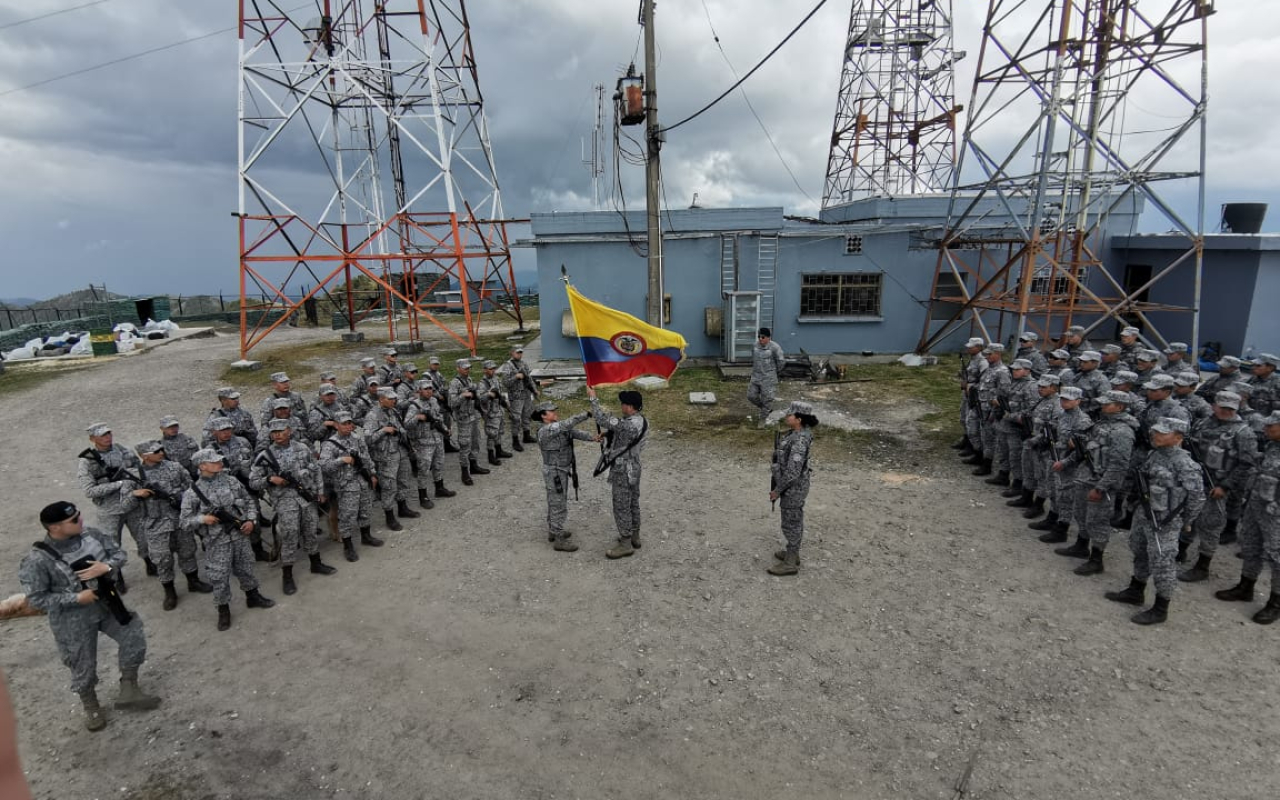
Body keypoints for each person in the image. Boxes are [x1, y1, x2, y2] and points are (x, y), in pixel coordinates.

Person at [18, 501, 161, 731]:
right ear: (54, 528)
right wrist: (75, 598)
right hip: (72, 619)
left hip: (107, 603)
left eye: (79, 515)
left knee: (133, 635)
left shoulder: (92, 535)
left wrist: (105, 568)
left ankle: (129, 688)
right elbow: (37, 599)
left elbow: (119, 554)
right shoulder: (37, 561)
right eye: (73, 520)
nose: (80, 521)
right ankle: (91, 705)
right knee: (82, 663)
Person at [1104, 418, 1205, 625]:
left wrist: (1186, 521)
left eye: (1162, 433)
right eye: (1155, 432)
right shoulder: (1155, 454)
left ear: (1178, 437)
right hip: (1145, 514)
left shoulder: (1186, 464)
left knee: (1163, 562)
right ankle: (1136, 589)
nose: (1155, 435)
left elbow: (1196, 497)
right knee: (1139, 549)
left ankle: (1161, 608)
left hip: (1165, 521)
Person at [180, 449, 275, 631]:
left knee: (246, 567)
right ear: (202, 466)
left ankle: (252, 596)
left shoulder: (231, 481)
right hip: (216, 541)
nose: (219, 463)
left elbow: (249, 502)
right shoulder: (193, 493)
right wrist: (202, 519)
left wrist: (250, 520)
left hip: (239, 535)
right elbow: (184, 522)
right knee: (219, 576)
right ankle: (223, 610)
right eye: (214, 461)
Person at [1176, 391, 1258, 582]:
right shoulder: (1203, 423)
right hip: (1195, 482)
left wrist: (1226, 486)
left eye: (1230, 409)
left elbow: (1246, 464)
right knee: (1188, 517)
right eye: (1222, 407)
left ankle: (1202, 566)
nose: (1225, 411)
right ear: (1214, 405)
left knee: (1210, 526)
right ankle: (1180, 551)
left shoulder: (1243, 432)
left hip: (1217, 486)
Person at [249, 419, 336, 596]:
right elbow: (253, 482)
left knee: (310, 530)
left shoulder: (302, 448)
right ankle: (287, 575)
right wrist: (270, 480)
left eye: (281, 431)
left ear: (289, 431)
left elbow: (316, 470)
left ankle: (315, 563)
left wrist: (320, 491)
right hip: (285, 501)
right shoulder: (265, 456)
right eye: (274, 432)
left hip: (307, 498)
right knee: (290, 535)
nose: (278, 435)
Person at [1056, 391, 1138, 575]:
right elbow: (1084, 450)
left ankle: (1096, 559)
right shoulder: (1101, 424)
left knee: (1098, 521)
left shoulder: (1123, 432)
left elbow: (1119, 465)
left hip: (1100, 482)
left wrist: (1101, 488)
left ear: (1120, 406)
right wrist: (1065, 462)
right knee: (1081, 513)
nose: (1102, 406)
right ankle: (1081, 545)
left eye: (1107, 404)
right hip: (1085, 477)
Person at [124, 440, 210, 609]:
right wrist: (135, 494)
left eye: (161, 450)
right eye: (156, 452)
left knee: (188, 551)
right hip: (155, 525)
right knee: (162, 559)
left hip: (179, 519)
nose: (161, 453)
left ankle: (193, 581)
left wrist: (179, 498)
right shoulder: (133, 476)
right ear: (143, 456)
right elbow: (124, 505)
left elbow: (192, 488)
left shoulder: (174, 467)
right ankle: (169, 592)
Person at [1214, 411, 1280, 624]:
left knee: (1277, 557)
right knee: (1251, 546)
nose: (1266, 430)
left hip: (1276, 513)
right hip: (1256, 504)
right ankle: (1246, 586)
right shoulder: (1272, 446)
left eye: (1271, 427)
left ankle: (1275, 603)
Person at [76, 423, 148, 588]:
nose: (108, 437)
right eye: (102, 435)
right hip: (109, 510)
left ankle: (150, 563)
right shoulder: (87, 462)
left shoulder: (121, 450)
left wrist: (133, 482)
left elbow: (138, 468)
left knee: (143, 537)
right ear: (92, 439)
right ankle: (117, 576)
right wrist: (119, 484)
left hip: (131, 504)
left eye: (108, 433)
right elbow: (90, 491)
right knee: (111, 545)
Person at [587, 386, 648, 559]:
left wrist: (593, 398)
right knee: (633, 502)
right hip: (635, 467)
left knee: (621, 504)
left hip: (622, 469)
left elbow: (601, 418)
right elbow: (622, 435)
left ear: (630, 407)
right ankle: (635, 535)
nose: (621, 406)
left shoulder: (627, 425)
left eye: (623, 404)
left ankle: (626, 543)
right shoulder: (642, 421)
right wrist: (608, 435)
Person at [318, 411, 384, 562]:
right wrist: (342, 460)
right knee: (347, 516)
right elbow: (324, 466)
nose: (348, 426)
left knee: (365, 510)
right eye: (344, 423)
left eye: (349, 423)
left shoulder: (357, 438)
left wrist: (372, 474)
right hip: (346, 485)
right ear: (336, 425)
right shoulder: (329, 444)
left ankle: (366, 536)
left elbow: (366, 458)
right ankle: (348, 546)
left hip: (363, 481)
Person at [533, 401, 597, 551]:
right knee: (558, 504)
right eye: (551, 411)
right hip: (554, 472)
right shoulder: (546, 430)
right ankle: (558, 539)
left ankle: (553, 531)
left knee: (556, 501)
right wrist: (586, 414)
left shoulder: (556, 426)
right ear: (543, 416)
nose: (555, 412)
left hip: (561, 470)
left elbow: (572, 432)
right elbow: (567, 425)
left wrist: (592, 437)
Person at [767, 401, 817, 576]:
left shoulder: (800, 441)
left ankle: (791, 563)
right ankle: (792, 553)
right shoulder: (795, 433)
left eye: (790, 415)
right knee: (793, 519)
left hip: (793, 489)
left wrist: (777, 491)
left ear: (799, 419)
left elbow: (792, 473)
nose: (786, 416)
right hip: (792, 487)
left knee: (791, 523)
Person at [363, 387, 421, 530]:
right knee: (389, 486)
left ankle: (402, 508)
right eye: (391, 399)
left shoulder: (393, 411)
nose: (394, 401)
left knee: (403, 481)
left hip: (400, 452)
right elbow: (367, 439)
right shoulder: (372, 416)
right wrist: (383, 431)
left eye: (395, 398)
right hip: (385, 456)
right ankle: (389, 516)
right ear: (381, 399)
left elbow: (401, 429)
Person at [402, 380, 457, 509]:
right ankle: (423, 496)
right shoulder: (414, 406)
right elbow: (406, 425)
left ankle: (440, 488)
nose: (429, 391)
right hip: (423, 442)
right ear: (419, 390)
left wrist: (445, 429)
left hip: (437, 438)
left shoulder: (433, 401)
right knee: (424, 469)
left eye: (431, 389)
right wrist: (417, 418)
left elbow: (438, 418)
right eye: (426, 389)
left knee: (439, 464)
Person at [449, 359, 489, 483]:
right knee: (465, 444)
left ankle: (474, 465)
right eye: (465, 368)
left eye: (468, 368)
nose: (467, 370)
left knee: (475, 442)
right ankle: (465, 472)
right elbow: (451, 403)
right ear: (458, 368)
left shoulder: (469, 380)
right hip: (463, 419)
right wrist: (463, 395)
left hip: (473, 416)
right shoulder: (454, 383)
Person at [497, 344, 540, 451]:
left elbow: (529, 379)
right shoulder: (507, 366)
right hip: (516, 396)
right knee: (516, 418)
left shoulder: (523, 363)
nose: (520, 354)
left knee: (526, 415)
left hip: (526, 394)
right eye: (517, 352)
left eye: (521, 352)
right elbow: (505, 383)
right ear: (512, 353)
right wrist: (515, 377)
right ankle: (515, 440)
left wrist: (534, 390)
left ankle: (526, 435)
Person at [956, 337, 987, 457]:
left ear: (979, 347)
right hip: (967, 393)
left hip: (974, 394)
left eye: (971, 347)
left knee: (971, 421)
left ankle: (973, 446)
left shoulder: (982, 361)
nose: (968, 348)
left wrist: (971, 385)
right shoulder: (972, 359)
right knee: (963, 418)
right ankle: (966, 439)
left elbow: (984, 380)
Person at [747, 327, 786, 422]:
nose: (760, 339)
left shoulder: (775, 347)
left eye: (763, 337)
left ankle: (763, 420)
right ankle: (766, 409)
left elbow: (781, 361)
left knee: (767, 399)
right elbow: (753, 357)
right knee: (751, 396)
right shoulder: (755, 346)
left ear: (769, 338)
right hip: (756, 376)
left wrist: (773, 373)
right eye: (759, 336)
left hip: (768, 378)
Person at [479, 360, 513, 466]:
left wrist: (506, 405)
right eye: (490, 369)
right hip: (490, 413)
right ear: (484, 370)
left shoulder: (496, 379)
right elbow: (480, 399)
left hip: (499, 410)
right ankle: (491, 455)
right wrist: (488, 395)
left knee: (499, 432)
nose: (493, 371)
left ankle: (499, 450)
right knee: (492, 434)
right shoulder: (482, 383)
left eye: (494, 368)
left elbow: (501, 394)